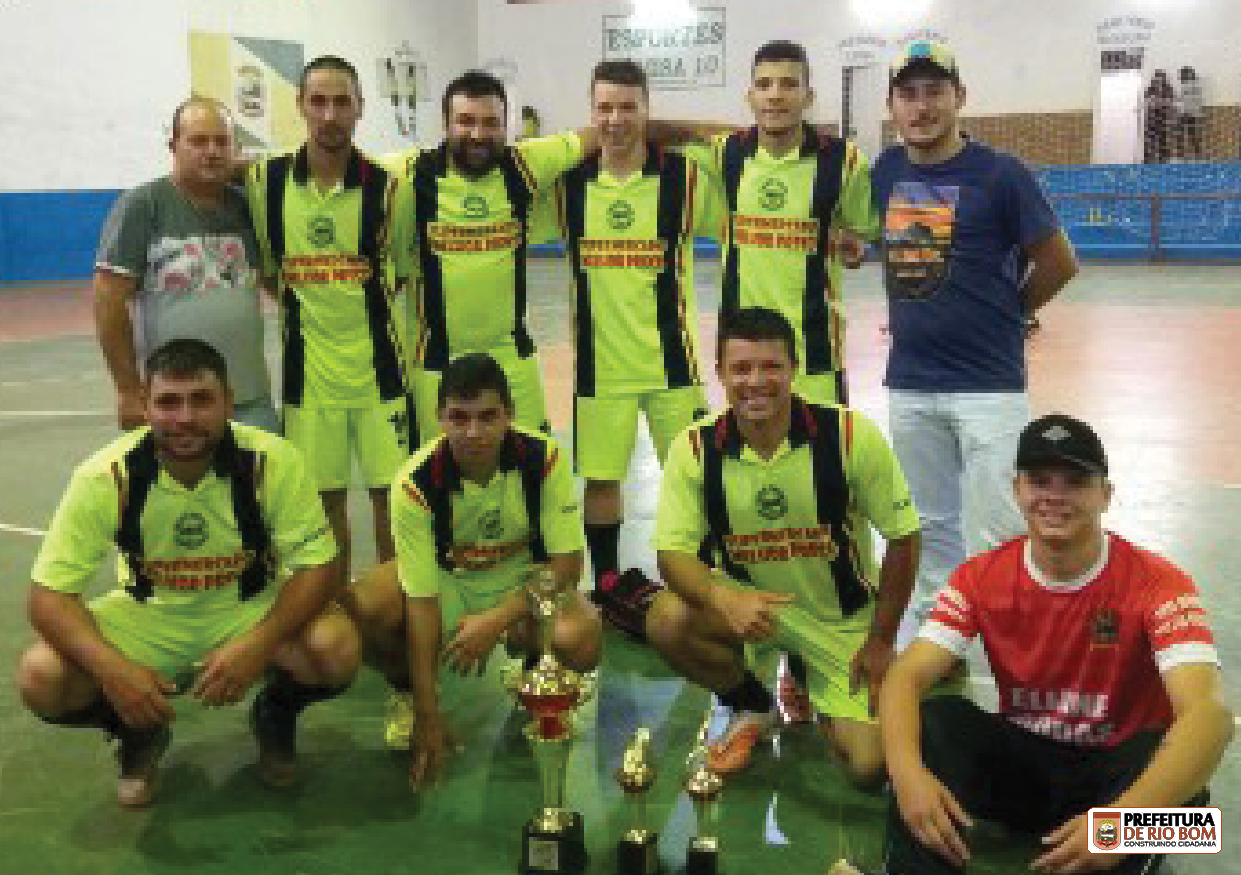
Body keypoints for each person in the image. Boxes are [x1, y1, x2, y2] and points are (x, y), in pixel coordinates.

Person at [872, 414, 1233, 874]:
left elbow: (1211, 717)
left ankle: (1108, 842)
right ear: (1017, 490)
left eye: (1076, 482)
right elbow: (906, 675)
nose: (1054, 497)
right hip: (1024, 769)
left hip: (1114, 775)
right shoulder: (981, 576)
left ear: (1106, 493)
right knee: (933, 723)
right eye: (1039, 481)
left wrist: (1119, 825)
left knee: (1191, 813)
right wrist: (908, 779)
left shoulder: (1158, 583)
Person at [15, 339, 356, 808]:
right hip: (148, 614)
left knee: (335, 648)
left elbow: (320, 565)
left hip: (246, 608)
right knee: (41, 677)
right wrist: (114, 672)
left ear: (229, 402)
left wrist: (258, 644)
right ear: (145, 405)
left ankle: (275, 713)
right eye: (168, 402)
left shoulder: (272, 460)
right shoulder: (105, 476)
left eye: (201, 399)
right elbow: (47, 598)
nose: (185, 418)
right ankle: (138, 730)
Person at [643, 307, 921, 780]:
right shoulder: (694, 448)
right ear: (720, 375)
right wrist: (721, 597)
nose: (756, 382)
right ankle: (752, 703)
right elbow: (672, 556)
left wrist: (880, 641)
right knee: (667, 618)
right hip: (751, 610)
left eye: (771, 367)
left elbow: (904, 537)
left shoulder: (850, 436)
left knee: (870, 765)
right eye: (741, 369)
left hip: (839, 620)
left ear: (793, 369)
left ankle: (811, 679)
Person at [871, 41, 1079, 646]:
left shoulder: (1000, 174)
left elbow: (1058, 262)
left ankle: (1013, 638)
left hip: (988, 385)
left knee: (998, 523)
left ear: (959, 97)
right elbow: (865, 237)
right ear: (893, 105)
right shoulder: (884, 172)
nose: (922, 105)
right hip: (910, 382)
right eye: (908, 94)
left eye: (934, 91)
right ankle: (946, 634)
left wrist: (1014, 315)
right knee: (929, 522)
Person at [348, 353, 601, 765]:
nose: (474, 432)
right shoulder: (413, 484)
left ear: (509, 415)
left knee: (581, 635)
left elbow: (567, 568)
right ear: (439, 418)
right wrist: (430, 716)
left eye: (488, 416)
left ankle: (537, 673)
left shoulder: (545, 459)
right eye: (459, 417)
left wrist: (498, 619)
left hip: (522, 578)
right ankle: (408, 694)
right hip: (451, 582)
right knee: (365, 606)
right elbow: (421, 601)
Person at [550, 59, 724, 627]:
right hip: (600, 365)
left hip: (674, 361)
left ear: (648, 111)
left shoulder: (684, 178)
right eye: (605, 107)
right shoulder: (568, 186)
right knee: (602, 479)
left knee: (692, 474)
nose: (616, 119)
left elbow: (743, 156)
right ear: (591, 112)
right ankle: (605, 581)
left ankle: (697, 578)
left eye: (629, 107)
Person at [245, 56, 413, 591]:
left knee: (393, 504)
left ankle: (393, 617)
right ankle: (334, 611)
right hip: (308, 380)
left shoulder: (390, 189)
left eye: (342, 101)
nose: (330, 114)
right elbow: (271, 272)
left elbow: (404, 271)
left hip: (380, 375)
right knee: (326, 504)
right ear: (300, 106)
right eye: (318, 101)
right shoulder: (264, 182)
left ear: (360, 108)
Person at [390, 69, 599, 441]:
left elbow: (603, 133)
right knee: (438, 473)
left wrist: (708, 133)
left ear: (506, 126)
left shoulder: (524, 166)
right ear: (445, 123)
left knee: (536, 462)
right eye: (465, 121)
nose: (478, 134)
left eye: (491, 123)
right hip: (437, 359)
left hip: (511, 354)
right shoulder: (411, 174)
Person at [95, 97, 276, 432]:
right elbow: (108, 300)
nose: (211, 151)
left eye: (222, 142)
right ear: (173, 145)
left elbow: (277, 285)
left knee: (259, 483)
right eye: (198, 141)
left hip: (249, 399)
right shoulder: (142, 206)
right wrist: (127, 390)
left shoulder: (249, 208)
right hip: (176, 405)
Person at [1177, 66, 1204, 160]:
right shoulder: (1183, 85)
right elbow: (1180, 100)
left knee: (1192, 135)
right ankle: (1183, 156)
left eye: (1183, 74)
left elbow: (1196, 100)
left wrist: (1193, 111)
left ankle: (1197, 156)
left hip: (1190, 114)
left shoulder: (1194, 85)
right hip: (1185, 113)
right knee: (1182, 136)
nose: (1181, 76)